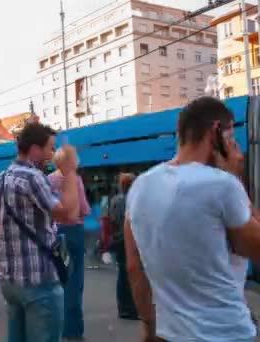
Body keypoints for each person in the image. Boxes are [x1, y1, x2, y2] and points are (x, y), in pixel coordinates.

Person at [125, 97, 260, 341]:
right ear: (216, 132)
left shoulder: (140, 186)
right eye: (230, 137)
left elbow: (135, 268)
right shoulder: (223, 184)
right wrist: (235, 177)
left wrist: (149, 327)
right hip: (225, 333)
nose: (233, 145)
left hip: (169, 334)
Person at [0, 122, 80, 342]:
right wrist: (69, 172)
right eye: (50, 147)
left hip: (10, 281)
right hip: (38, 279)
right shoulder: (32, 177)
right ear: (35, 149)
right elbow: (69, 214)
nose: (51, 154)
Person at [48, 152, 91, 340]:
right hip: (74, 231)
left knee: (57, 280)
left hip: (56, 231)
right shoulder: (75, 180)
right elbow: (83, 207)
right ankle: (72, 331)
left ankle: (57, 327)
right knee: (75, 282)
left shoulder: (49, 179)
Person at [108, 173, 138, 320]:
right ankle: (132, 307)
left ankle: (123, 307)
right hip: (129, 238)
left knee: (122, 274)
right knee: (132, 273)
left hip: (118, 239)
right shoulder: (132, 200)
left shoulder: (115, 200)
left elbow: (112, 219)